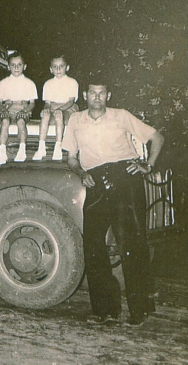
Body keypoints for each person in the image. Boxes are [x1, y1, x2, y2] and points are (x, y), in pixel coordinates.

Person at [62, 83, 164, 326]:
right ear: (84, 96)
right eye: (92, 93)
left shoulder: (121, 115)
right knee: (93, 245)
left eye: (101, 93)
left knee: (131, 244)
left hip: (124, 179)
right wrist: (80, 173)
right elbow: (71, 157)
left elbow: (157, 137)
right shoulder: (75, 120)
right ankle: (105, 310)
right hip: (94, 179)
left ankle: (140, 310)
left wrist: (147, 165)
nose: (96, 97)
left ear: (108, 95)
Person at [33, 56, 79, 161]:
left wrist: (60, 109)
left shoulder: (72, 82)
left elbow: (71, 101)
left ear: (67, 67)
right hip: (54, 107)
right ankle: (41, 147)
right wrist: (46, 109)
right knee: (45, 116)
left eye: (61, 66)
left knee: (59, 116)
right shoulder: (48, 84)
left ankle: (58, 146)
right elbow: (48, 103)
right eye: (55, 67)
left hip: (68, 108)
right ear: (51, 69)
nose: (58, 70)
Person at [0, 53, 37, 164]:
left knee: (21, 121)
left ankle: (22, 150)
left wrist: (25, 110)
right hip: (8, 109)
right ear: (8, 67)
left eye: (19, 65)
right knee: (4, 121)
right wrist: (3, 109)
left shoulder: (29, 83)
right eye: (13, 65)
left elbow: (32, 104)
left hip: (23, 109)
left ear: (24, 66)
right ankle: (2, 152)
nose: (16, 68)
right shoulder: (3, 83)